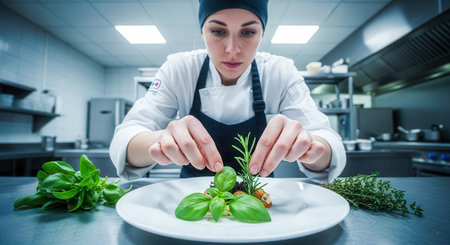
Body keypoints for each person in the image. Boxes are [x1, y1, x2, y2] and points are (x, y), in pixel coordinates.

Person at [109, 0, 346, 183]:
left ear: (262, 34)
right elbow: (124, 139)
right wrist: (157, 141)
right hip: (193, 204)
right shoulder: (179, 68)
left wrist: (314, 147)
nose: (233, 50)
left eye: (248, 32)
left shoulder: (280, 72)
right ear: (203, 32)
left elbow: (330, 145)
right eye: (218, 32)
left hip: (258, 204)